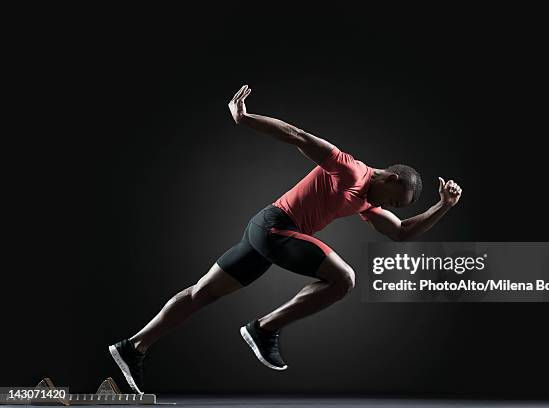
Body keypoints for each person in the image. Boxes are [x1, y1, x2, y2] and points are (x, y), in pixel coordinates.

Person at [108, 85, 463, 394]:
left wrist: (443, 206)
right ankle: (263, 329)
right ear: (389, 176)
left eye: (393, 206)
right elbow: (297, 135)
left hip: (267, 235)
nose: (388, 206)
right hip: (274, 226)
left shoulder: (367, 201)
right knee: (344, 279)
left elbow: (400, 233)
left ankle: (133, 346)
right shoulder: (349, 168)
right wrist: (244, 119)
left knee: (202, 292)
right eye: (392, 199)